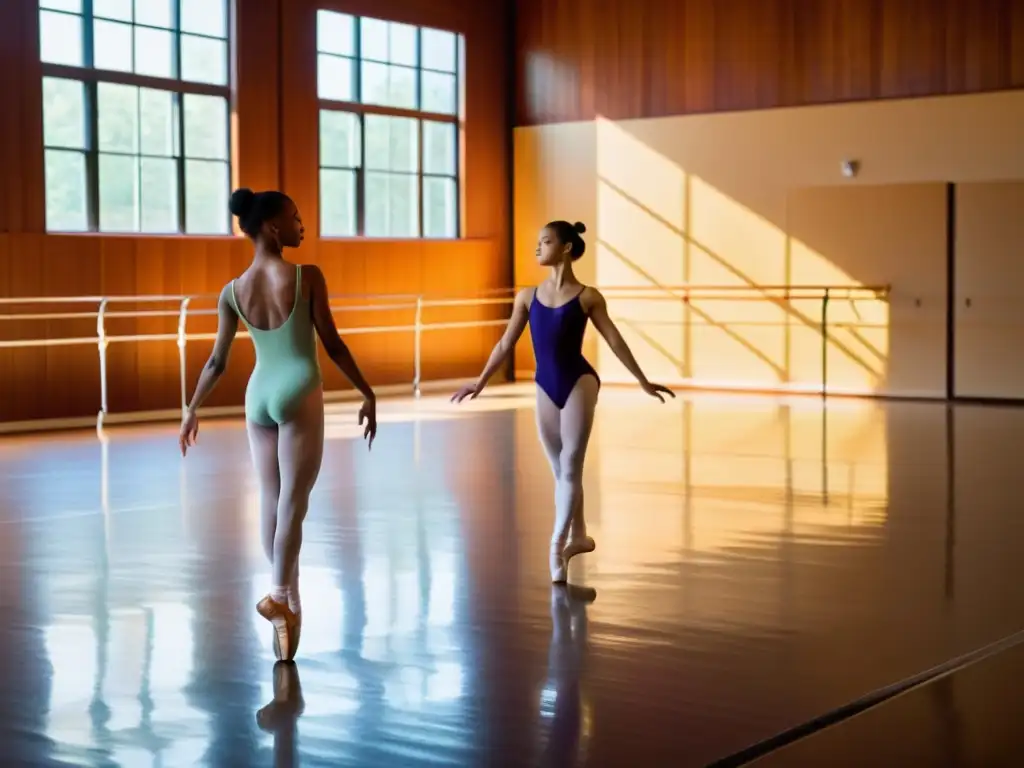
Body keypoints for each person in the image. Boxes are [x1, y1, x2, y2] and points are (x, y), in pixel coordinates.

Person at [179, 188, 377, 662]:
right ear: (271, 226)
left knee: (271, 498)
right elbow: (333, 344)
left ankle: (287, 602)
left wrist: (191, 407)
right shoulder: (307, 277)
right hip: (299, 388)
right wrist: (367, 390)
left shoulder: (232, 291)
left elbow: (216, 361)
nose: (301, 224)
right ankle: (277, 595)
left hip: (257, 396)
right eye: (294, 216)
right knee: (293, 501)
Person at [452, 221, 674, 582]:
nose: (538, 248)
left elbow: (615, 340)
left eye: (546, 241)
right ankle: (581, 534)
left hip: (579, 382)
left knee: (571, 464)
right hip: (544, 386)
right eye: (537, 241)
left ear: (567, 247)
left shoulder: (588, 297)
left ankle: (557, 547)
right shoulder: (526, 296)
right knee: (562, 473)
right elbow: (506, 343)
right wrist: (480, 382)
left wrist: (642, 381)